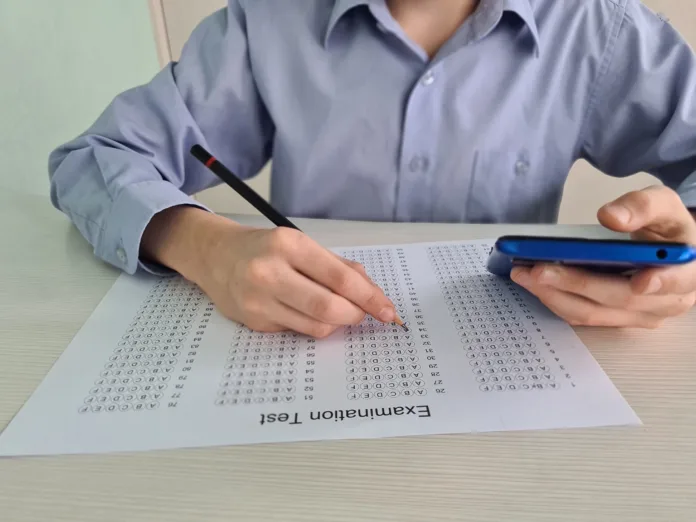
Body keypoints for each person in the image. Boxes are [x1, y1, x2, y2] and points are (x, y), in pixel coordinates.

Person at [48, 0, 696, 336]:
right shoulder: (267, 23)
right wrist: (203, 245)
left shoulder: (599, 29)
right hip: (303, 362)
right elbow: (94, 159)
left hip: (520, 384)